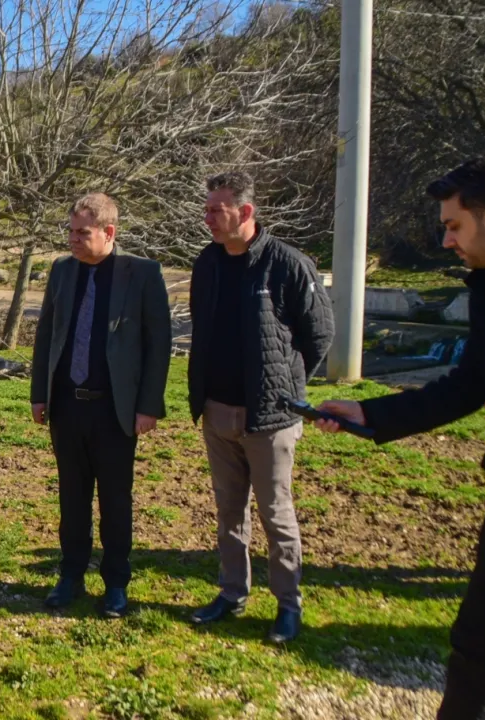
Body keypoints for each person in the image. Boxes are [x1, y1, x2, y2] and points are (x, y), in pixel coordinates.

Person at [316, 155, 485, 720]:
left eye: (453, 226)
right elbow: (465, 387)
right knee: (477, 643)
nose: (446, 241)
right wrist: (368, 412)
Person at [186, 171, 333, 643]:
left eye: (217, 210)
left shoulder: (288, 264)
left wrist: (285, 385)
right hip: (217, 411)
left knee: (276, 511)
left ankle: (288, 605)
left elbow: (319, 334)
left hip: (270, 419)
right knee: (229, 510)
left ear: (245, 212)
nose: (208, 218)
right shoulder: (207, 263)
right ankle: (232, 592)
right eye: (207, 209)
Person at [30, 192, 172, 617]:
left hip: (115, 410)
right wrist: (39, 393)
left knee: (115, 499)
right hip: (67, 406)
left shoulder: (141, 273)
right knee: (72, 498)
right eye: (70, 231)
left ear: (109, 232)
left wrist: (149, 405)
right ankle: (71, 574)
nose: (73, 239)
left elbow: (158, 344)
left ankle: (115, 582)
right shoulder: (62, 270)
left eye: (83, 233)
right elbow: (46, 334)